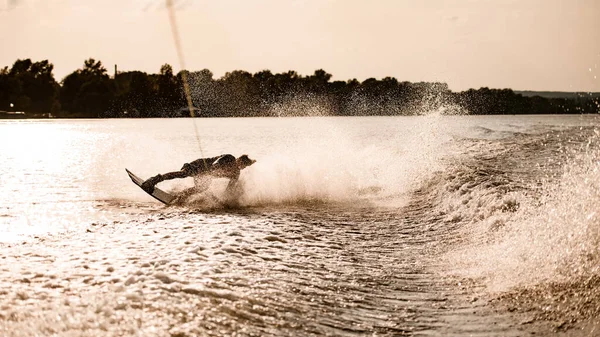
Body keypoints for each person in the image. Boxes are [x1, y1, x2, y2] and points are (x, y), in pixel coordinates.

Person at [141, 154, 256, 197]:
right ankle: (153, 180)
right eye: (241, 163)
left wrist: (226, 201)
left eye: (244, 166)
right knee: (183, 174)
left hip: (206, 175)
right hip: (201, 165)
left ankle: (180, 196)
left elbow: (229, 188)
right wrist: (214, 167)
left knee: (202, 188)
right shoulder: (229, 158)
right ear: (239, 159)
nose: (241, 167)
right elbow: (218, 161)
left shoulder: (235, 173)